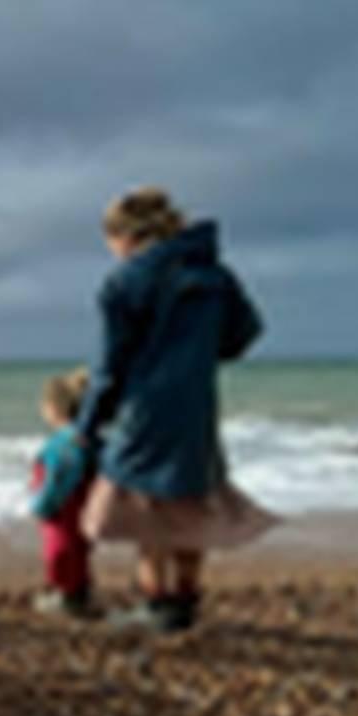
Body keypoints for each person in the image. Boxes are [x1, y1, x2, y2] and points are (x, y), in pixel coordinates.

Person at [74, 186, 278, 633]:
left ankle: (155, 601)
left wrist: (86, 425)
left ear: (126, 235)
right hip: (196, 405)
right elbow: (244, 334)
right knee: (190, 499)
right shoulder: (215, 275)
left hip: (144, 407)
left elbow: (110, 365)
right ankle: (185, 600)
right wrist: (198, 353)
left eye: (111, 242)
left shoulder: (125, 281)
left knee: (147, 505)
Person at [30, 368, 100, 619]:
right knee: (78, 550)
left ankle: (66, 597)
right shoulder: (87, 439)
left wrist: (41, 506)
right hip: (84, 506)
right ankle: (79, 591)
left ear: (53, 408)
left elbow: (57, 480)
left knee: (58, 550)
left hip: (62, 510)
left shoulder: (63, 444)